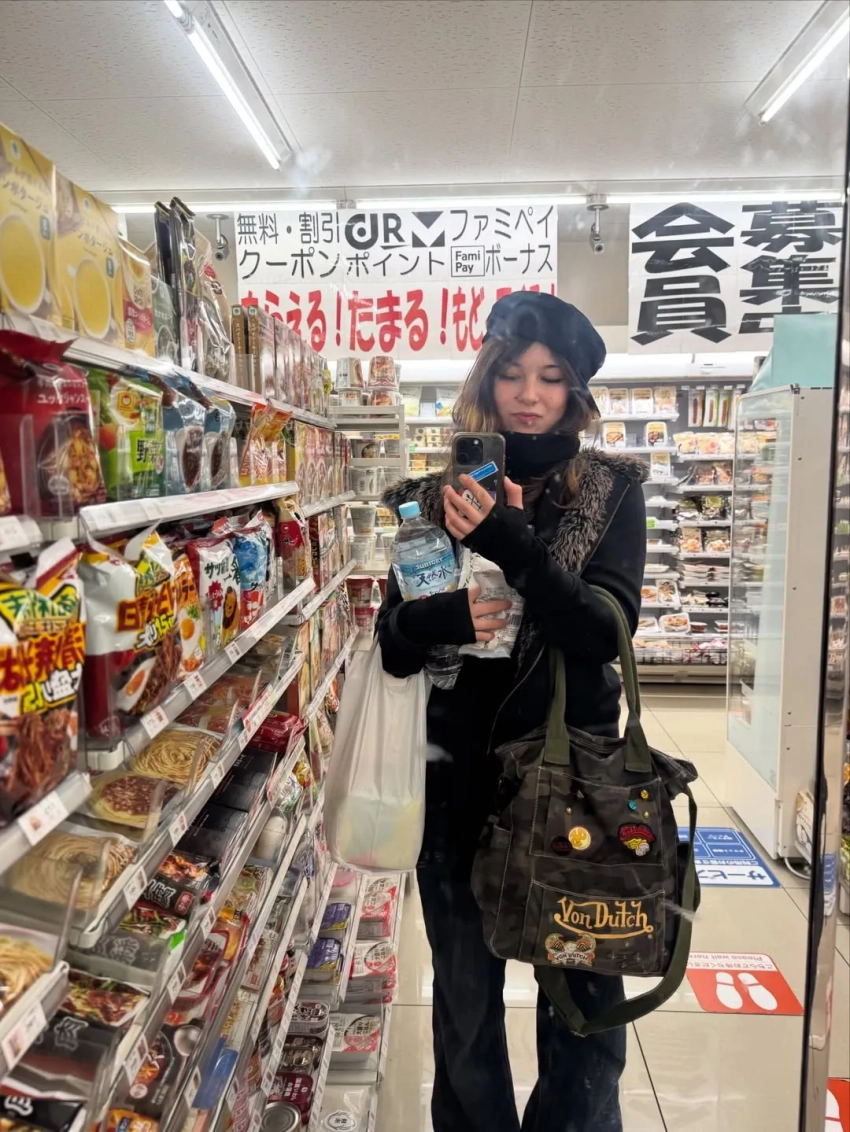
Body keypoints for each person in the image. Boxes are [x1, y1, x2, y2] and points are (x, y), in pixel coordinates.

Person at [377, 291, 647, 1132]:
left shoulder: (611, 492)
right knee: (464, 1006)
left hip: (573, 783)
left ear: (576, 393)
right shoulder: (428, 498)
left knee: (582, 1009)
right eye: (513, 373)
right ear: (486, 380)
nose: (530, 395)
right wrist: (441, 619)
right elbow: (393, 645)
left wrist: (508, 542)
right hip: (455, 783)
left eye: (552, 377)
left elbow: (604, 631)